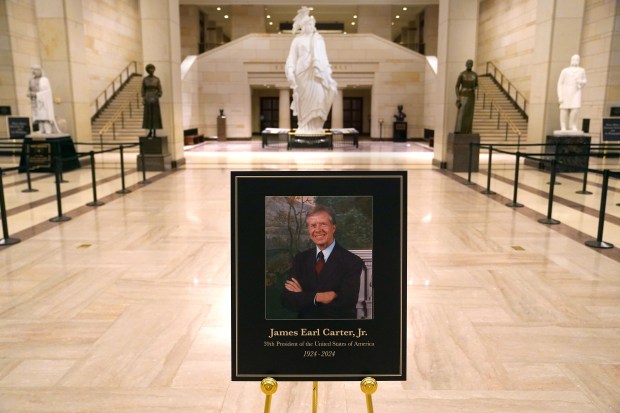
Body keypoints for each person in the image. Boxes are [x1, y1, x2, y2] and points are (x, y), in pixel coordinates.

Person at [281, 204, 364, 319]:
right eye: (313, 225)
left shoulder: (352, 261)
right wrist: (318, 297)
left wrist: (303, 296)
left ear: (333, 227)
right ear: (309, 230)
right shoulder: (300, 259)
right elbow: (287, 300)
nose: (318, 230)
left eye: (323, 224)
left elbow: (345, 306)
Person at [285, 7, 338, 135]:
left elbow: (324, 58)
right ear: (302, 26)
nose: (308, 25)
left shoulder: (319, 39)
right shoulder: (297, 40)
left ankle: (316, 127)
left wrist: (328, 76)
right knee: (303, 101)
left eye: (310, 23)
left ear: (313, 25)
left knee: (319, 98)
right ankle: (304, 126)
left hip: (316, 73)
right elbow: (291, 57)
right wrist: (290, 70)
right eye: (306, 24)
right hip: (302, 74)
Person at [557, 54, 587, 132]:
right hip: (566, 91)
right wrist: (560, 96)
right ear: (571, 60)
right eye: (574, 59)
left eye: (577, 59)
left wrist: (580, 82)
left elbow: (584, 81)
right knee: (564, 109)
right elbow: (560, 83)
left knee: (575, 109)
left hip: (576, 91)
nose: (575, 61)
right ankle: (563, 126)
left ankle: (572, 125)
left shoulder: (581, 70)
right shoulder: (565, 70)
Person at [27, 66, 59, 134]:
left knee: (44, 116)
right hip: (35, 101)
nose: (34, 72)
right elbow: (30, 89)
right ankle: (41, 129)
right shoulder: (31, 80)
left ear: (40, 71)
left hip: (43, 101)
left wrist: (36, 94)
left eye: (36, 70)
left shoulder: (44, 80)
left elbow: (47, 91)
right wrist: (30, 94)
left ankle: (48, 130)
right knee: (38, 116)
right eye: (34, 70)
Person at [454, 59, 478, 134]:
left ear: (472, 64)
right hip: (463, 95)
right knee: (462, 114)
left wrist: (475, 87)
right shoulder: (462, 74)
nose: (469, 64)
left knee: (469, 114)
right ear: (466, 64)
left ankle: (468, 130)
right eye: (468, 63)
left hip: (471, 96)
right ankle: (459, 130)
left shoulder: (474, 75)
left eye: (471, 63)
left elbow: (477, 84)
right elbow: (457, 86)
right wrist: (458, 97)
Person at [141, 63, 163, 137]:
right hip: (147, 97)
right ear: (147, 70)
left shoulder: (157, 79)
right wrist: (143, 98)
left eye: (152, 68)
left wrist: (157, 95)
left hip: (154, 97)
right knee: (148, 115)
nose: (151, 70)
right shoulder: (145, 79)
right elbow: (143, 90)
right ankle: (150, 131)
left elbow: (160, 89)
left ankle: (154, 131)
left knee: (155, 115)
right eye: (149, 69)